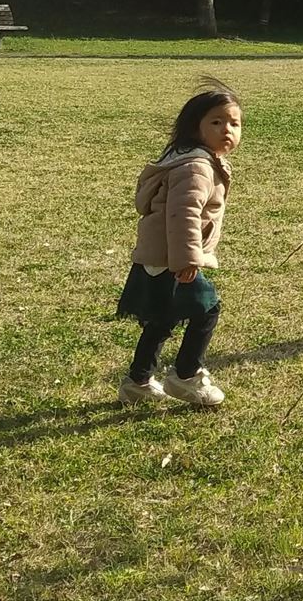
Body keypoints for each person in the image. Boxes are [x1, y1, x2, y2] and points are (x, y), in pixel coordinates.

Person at [115, 83, 242, 407]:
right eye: (216, 122)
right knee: (207, 309)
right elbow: (182, 214)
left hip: (159, 256)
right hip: (174, 258)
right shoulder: (196, 167)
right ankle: (185, 376)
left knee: (162, 318)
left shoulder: (186, 159)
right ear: (193, 127)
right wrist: (189, 259)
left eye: (234, 123)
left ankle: (138, 381)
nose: (226, 129)